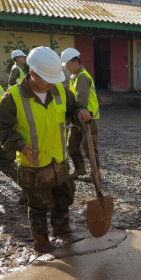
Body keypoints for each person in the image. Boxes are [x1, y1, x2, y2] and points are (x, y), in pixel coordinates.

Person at [0, 46, 92, 253]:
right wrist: (20, 146)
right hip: (32, 165)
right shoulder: (12, 98)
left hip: (58, 160)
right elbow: (2, 128)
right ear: (32, 74)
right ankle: (41, 241)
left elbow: (73, 108)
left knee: (63, 197)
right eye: (47, 80)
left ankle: (62, 229)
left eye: (54, 80)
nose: (51, 85)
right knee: (38, 204)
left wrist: (80, 114)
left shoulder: (59, 90)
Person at [61, 48, 100, 182]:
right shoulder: (74, 76)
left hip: (88, 118)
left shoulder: (82, 77)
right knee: (71, 145)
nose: (66, 68)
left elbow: (81, 101)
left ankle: (96, 174)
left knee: (89, 148)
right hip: (76, 119)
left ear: (75, 62)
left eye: (68, 64)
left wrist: (76, 116)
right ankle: (79, 168)